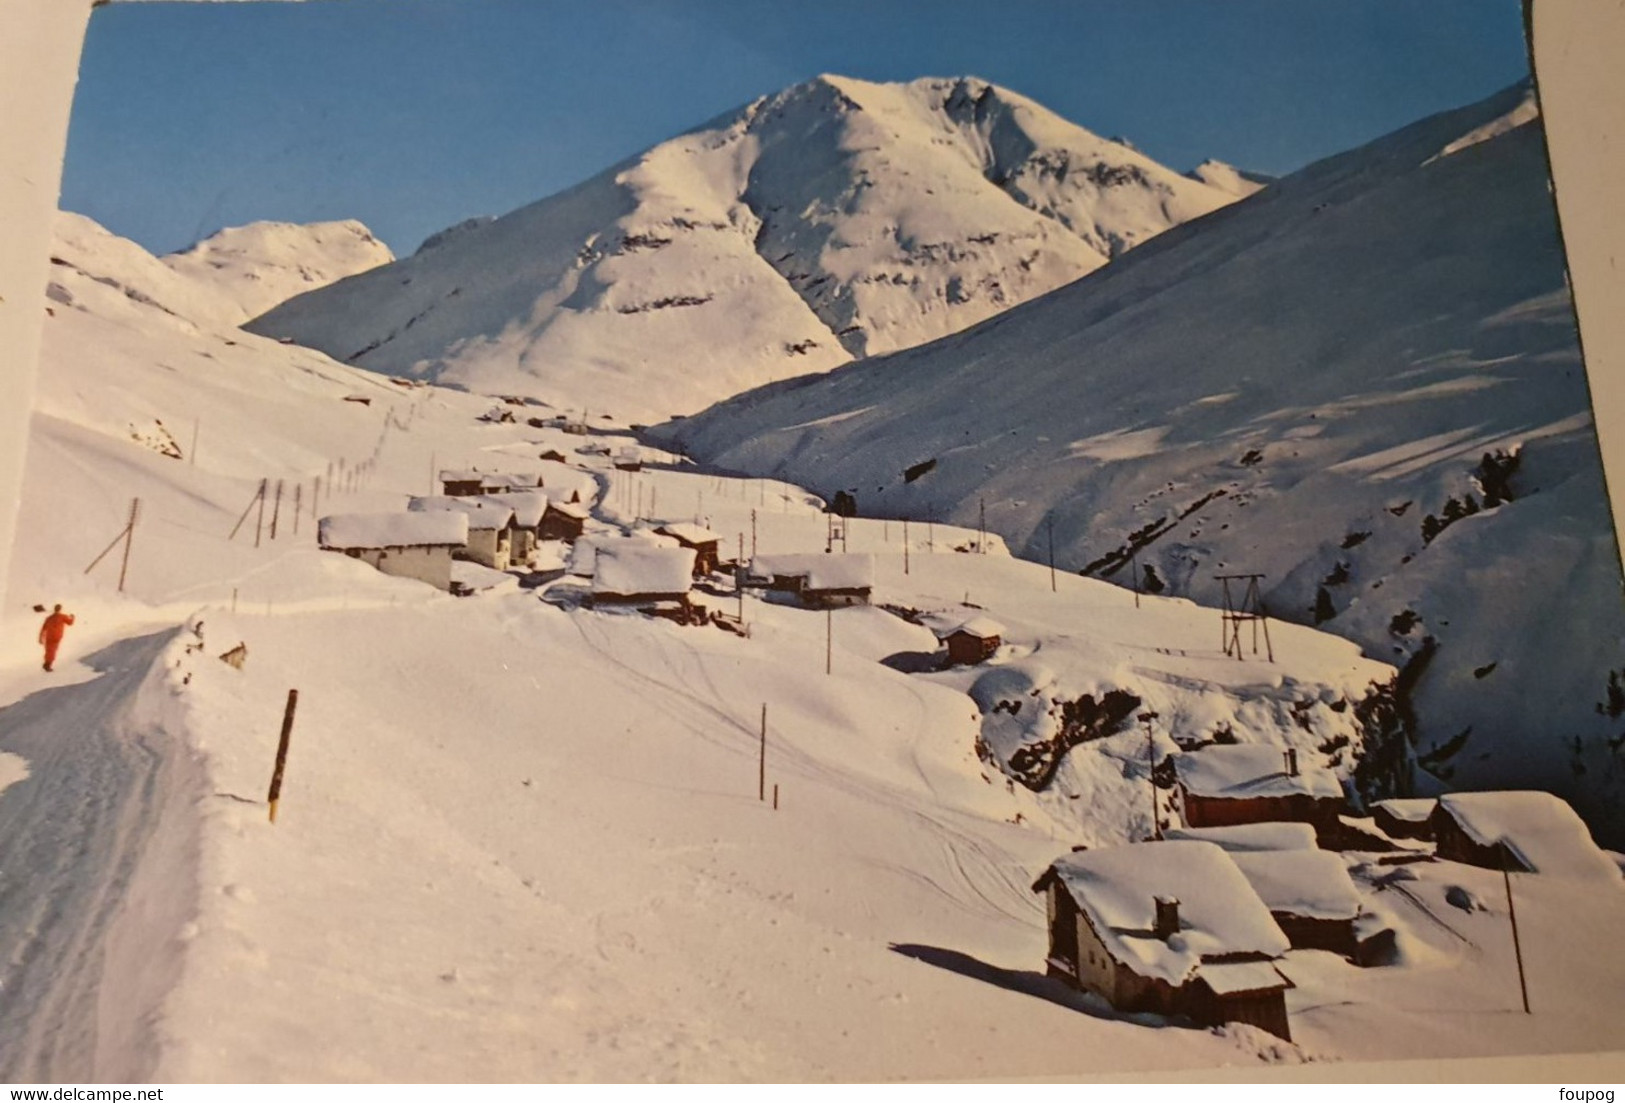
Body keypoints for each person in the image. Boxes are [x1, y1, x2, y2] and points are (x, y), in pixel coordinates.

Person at [39, 604, 74, 672]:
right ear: (60, 609)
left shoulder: (49, 618)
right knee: (52, 651)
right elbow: (70, 623)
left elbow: (44, 628)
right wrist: (72, 617)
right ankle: (48, 665)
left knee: (48, 651)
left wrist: (41, 637)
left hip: (49, 636)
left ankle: (46, 663)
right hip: (56, 637)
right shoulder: (63, 616)